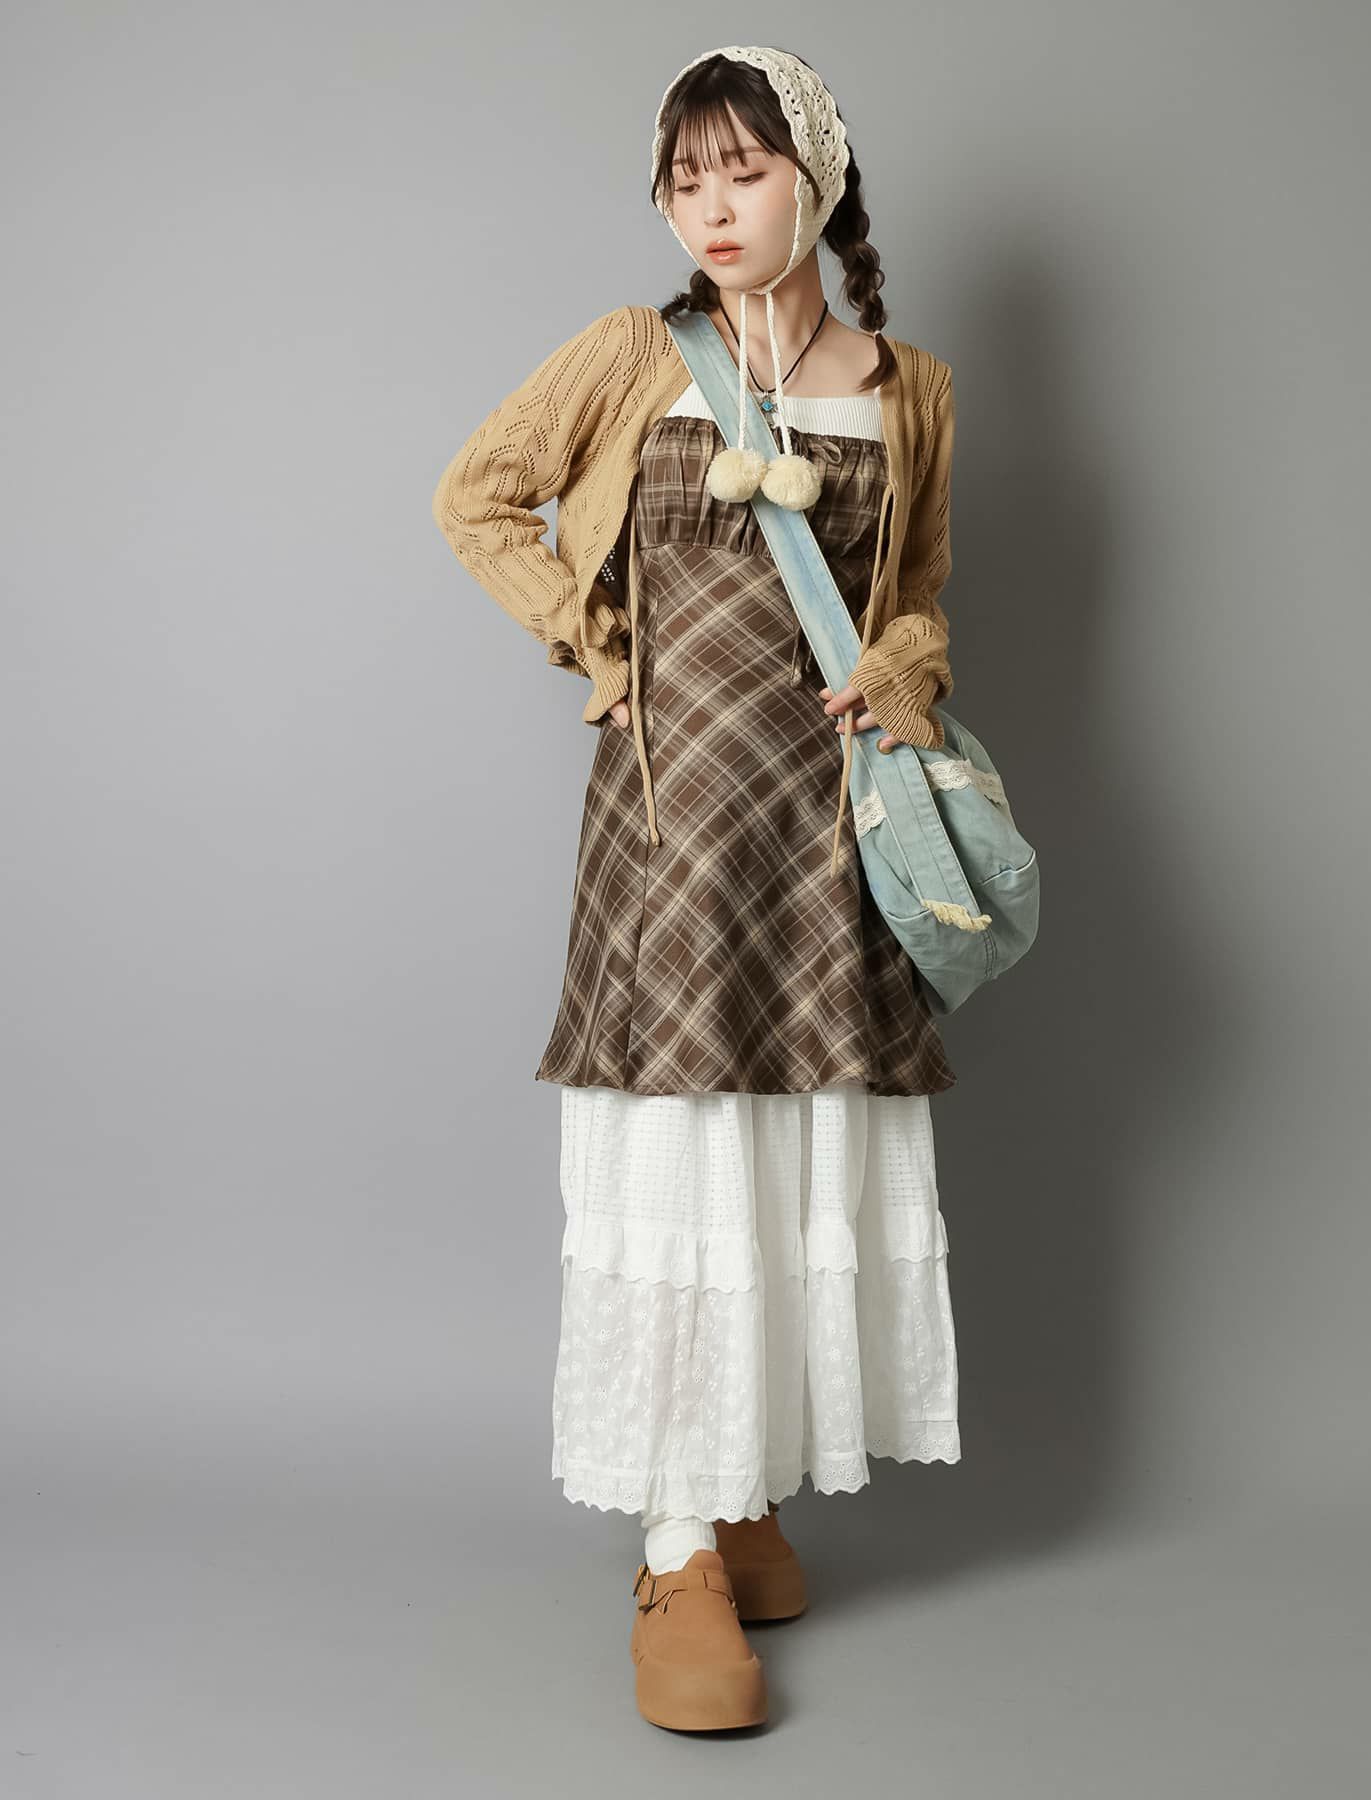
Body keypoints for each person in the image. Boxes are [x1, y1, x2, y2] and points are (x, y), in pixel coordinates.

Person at [431, 44, 962, 1733]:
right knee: (687, 1165)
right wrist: (597, 650)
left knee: (793, 1167)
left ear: (817, 177)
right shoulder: (628, 357)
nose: (711, 208)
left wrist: (897, 672)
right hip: (672, 840)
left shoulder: (911, 386)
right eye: (684, 180)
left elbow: (923, 597)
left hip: (826, 841)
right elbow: (476, 498)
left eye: (744, 170)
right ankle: (675, 1549)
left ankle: (743, 1495)